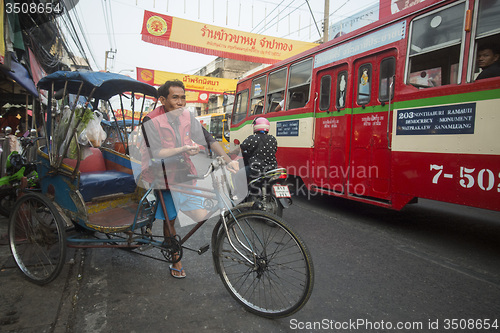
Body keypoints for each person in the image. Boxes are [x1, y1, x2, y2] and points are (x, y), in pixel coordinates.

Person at [139, 79, 238, 278]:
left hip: (184, 171)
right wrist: (184, 148)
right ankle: (175, 258)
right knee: (171, 219)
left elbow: (208, 138)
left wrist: (228, 160)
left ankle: (172, 241)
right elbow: (156, 152)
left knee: (200, 215)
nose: (181, 102)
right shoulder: (150, 120)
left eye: (183, 97)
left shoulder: (187, 116)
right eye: (175, 97)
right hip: (161, 175)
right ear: (162, 100)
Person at [239, 117, 278, 192]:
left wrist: (229, 154)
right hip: (272, 169)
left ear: (255, 127)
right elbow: (274, 151)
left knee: (239, 175)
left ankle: (240, 195)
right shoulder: (273, 139)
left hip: (257, 169)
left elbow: (240, 149)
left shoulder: (252, 138)